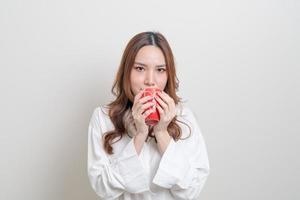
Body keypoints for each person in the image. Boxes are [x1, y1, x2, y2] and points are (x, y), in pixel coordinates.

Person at [87, 31, 210, 200]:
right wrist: (140, 134)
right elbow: (103, 188)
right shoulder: (103, 117)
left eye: (160, 70)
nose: (150, 81)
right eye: (140, 68)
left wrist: (161, 133)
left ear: (168, 75)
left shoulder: (184, 117)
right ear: (126, 72)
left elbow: (191, 190)